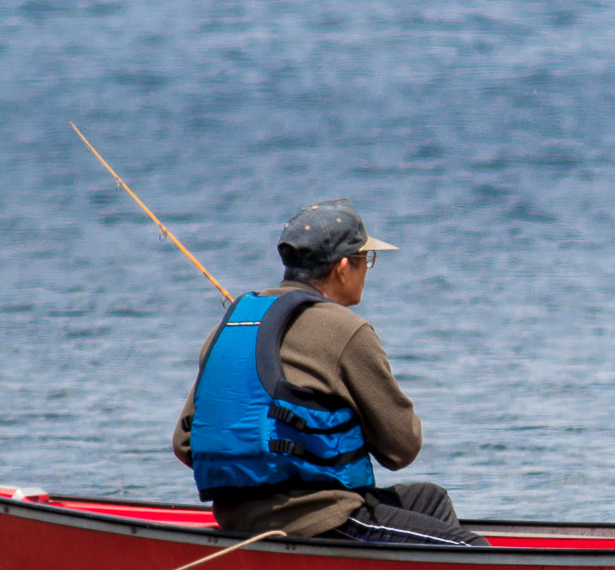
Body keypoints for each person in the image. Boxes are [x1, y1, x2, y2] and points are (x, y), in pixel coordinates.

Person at [172, 199, 487, 547]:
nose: (367, 269)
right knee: (472, 550)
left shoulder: (230, 326)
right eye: (366, 259)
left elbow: (185, 444)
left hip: (236, 517)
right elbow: (402, 448)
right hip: (317, 519)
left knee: (430, 499)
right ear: (342, 268)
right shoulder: (347, 330)